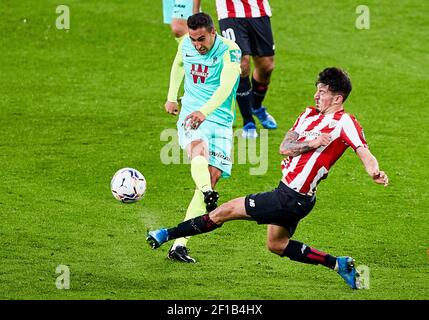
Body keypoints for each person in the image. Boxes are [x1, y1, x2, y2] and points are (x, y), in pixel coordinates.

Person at [149, 67, 389, 289]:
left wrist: (374, 171)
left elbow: (364, 151)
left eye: (322, 92)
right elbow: (285, 147)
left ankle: (166, 235)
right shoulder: (307, 115)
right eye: (317, 90)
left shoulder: (345, 122)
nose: (316, 96)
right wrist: (311, 143)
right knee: (277, 245)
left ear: (337, 98)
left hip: (291, 197)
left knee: (223, 212)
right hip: (293, 195)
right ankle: (338, 264)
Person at [163, 12, 241, 263]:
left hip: (219, 119)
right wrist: (172, 96)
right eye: (194, 39)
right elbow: (179, 64)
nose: (197, 45)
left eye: (202, 39)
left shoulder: (230, 50)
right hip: (191, 114)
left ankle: (179, 245)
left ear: (213, 32)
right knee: (198, 151)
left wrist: (204, 112)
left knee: (214, 173)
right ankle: (208, 192)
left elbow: (226, 87)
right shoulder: (187, 42)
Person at [215, 0, 278, 138]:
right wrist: (196, 11)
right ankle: (248, 121)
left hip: (258, 10)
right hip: (229, 13)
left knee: (266, 66)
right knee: (241, 64)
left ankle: (255, 106)